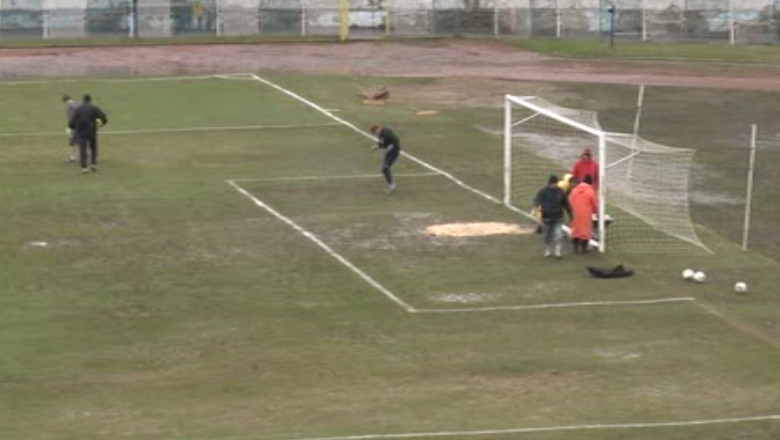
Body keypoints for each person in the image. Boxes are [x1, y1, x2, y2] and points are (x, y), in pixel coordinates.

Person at [533, 174, 572, 258]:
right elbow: (537, 201)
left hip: (558, 217)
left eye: (554, 183)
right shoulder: (543, 192)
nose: (553, 185)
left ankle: (558, 252)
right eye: (552, 183)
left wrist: (570, 214)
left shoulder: (560, 192)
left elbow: (566, 204)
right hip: (546, 217)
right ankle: (548, 250)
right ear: (549, 183)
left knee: (558, 235)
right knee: (547, 235)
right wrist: (536, 208)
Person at [68, 94, 108, 174]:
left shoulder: (78, 109)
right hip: (92, 131)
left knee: (83, 149)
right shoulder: (94, 108)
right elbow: (103, 117)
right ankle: (93, 164)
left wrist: (74, 128)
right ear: (90, 100)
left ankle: (84, 168)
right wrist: (101, 124)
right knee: (93, 147)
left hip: (81, 132)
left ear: (83, 100)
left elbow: (71, 122)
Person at [569, 175, 598, 254]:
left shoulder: (574, 190)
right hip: (585, 214)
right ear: (591, 183)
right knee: (585, 232)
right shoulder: (590, 191)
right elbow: (594, 204)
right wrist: (597, 213)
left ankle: (575, 248)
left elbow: (570, 201)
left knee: (576, 230)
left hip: (575, 213)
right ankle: (584, 248)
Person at [369, 124, 401, 193]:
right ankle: (392, 186)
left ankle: (392, 187)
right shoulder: (381, 134)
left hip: (393, 152)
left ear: (378, 129)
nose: (375, 134)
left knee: (385, 168)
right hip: (389, 153)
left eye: (375, 132)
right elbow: (383, 143)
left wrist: (391, 147)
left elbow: (396, 140)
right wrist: (377, 146)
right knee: (384, 169)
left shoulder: (387, 133)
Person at [62, 94, 80, 163]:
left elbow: (72, 119)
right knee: (73, 142)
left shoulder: (70, 107)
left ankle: (73, 158)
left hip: (76, 128)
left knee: (75, 142)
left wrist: (69, 128)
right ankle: (72, 157)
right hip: (80, 127)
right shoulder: (78, 104)